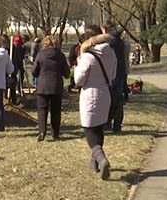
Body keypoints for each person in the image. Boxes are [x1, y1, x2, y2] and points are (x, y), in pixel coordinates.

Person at [73, 25, 117, 180]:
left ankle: (101, 159)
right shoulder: (111, 53)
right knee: (99, 127)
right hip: (106, 93)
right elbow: (113, 75)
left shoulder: (87, 56)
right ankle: (94, 162)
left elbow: (78, 80)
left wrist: (78, 64)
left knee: (89, 130)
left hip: (90, 95)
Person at [31, 35, 70, 141]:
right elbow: (66, 72)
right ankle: (55, 133)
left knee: (42, 109)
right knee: (56, 110)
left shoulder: (40, 54)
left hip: (43, 85)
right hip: (56, 85)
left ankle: (42, 132)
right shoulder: (60, 55)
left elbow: (34, 71)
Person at [103, 21, 127, 132]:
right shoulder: (120, 41)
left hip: (111, 73)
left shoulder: (109, 41)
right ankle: (117, 124)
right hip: (121, 72)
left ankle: (107, 123)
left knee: (109, 99)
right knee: (118, 99)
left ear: (104, 29)